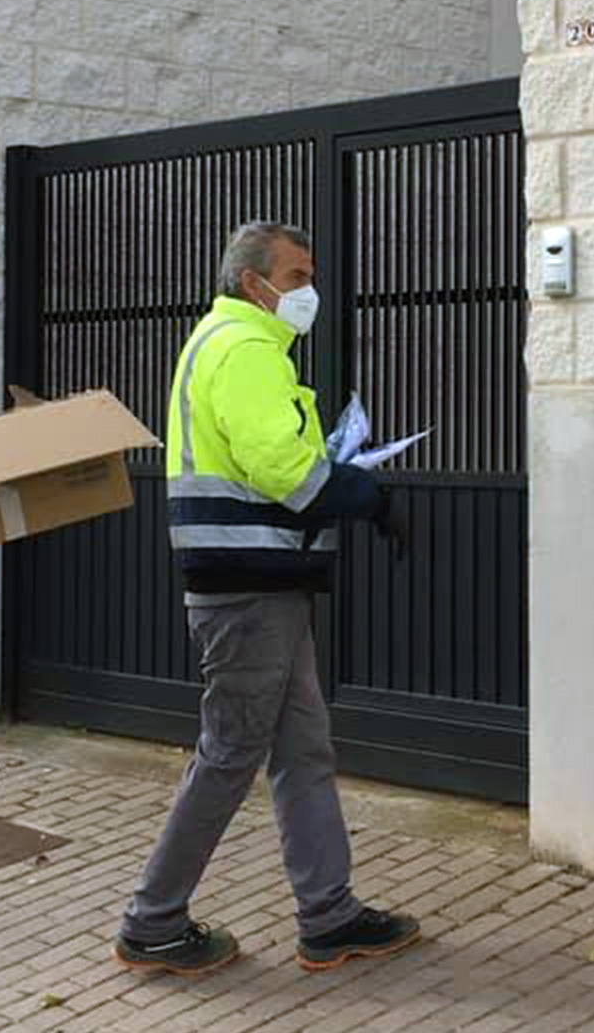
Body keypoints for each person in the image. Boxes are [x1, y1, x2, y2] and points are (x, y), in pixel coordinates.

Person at [115, 221, 421, 978]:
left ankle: (330, 914)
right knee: (230, 754)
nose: (307, 289)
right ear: (253, 282)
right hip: (249, 591)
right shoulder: (247, 350)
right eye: (296, 275)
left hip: (260, 587)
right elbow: (287, 471)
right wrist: (369, 493)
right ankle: (153, 920)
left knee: (302, 749)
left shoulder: (226, 343)